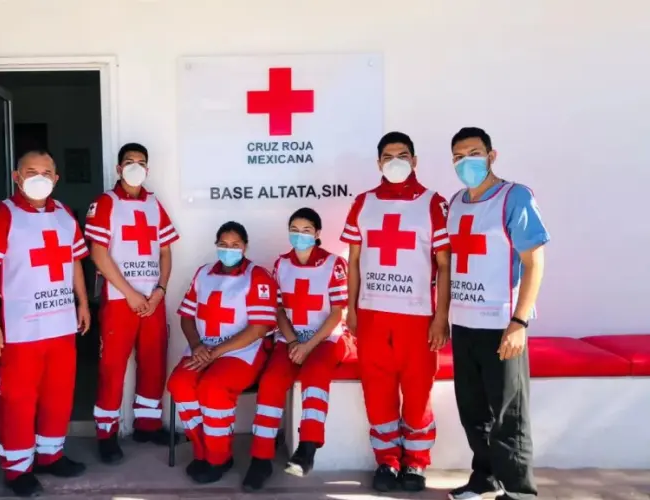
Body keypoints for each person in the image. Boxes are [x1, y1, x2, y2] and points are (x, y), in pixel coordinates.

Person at [341, 131, 451, 492]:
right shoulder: (363, 203)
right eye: (388, 157)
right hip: (372, 316)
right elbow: (354, 261)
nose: (396, 162)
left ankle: (416, 463)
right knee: (377, 390)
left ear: (415, 160)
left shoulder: (434, 204)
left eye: (403, 155)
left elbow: (444, 264)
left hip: (417, 317)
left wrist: (440, 318)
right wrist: (351, 311)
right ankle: (387, 461)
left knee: (418, 390)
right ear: (378, 163)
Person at [0, 150, 92, 496]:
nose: (39, 177)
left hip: (60, 325)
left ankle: (51, 455)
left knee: (57, 396)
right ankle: (17, 470)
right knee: (16, 399)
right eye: (31, 171)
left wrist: (83, 303)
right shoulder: (1, 215)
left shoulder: (64, 214)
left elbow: (74, 261)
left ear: (56, 179)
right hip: (17, 327)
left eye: (46, 172)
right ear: (17, 176)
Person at [446, 127, 548, 500]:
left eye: (474, 152)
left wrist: (519, 322)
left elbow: (534, 261)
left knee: (509, 414)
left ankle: (519, 491)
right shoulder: (455, 202)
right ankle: (484, 477)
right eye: (458, 156)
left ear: (492, 155)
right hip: (464, 323)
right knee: (473, 409)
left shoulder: (514, 197)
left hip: (502, 324)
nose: (466, 162)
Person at [243, 208, 354, 491]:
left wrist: (308, 346)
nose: (300, 234)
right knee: (271, 382)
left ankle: (307, 448)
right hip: (291, 340)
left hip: (326, 340)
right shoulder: (281, 264)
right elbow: (278, 309)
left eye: (307, 230)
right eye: (295, 228)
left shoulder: (334, 264)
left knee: (315, 378)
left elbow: (337, 313)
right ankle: (260, 457)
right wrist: (294, 342)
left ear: (317, 234)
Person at [84, 143, 179, 463]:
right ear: (118, 168)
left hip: (153, 299)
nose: (135, 167)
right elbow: (98, 253)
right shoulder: (106, 203)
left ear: (148, 169)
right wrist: (129, 293)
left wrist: (160, 290)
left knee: (154, 361)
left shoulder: (154, 203)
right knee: (112, 367)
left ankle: (148, 425)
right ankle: (106, 434)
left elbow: (165, 251)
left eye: (141, 162)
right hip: (118, 299)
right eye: (129, 162)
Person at [167, 221, 278, 485]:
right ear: (216, 245)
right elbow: (186, 317)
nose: (229, 249)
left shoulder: (258, 276)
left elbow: (259, 329)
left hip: (243, 352)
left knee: (212, 387)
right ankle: (202, 451)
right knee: (179, 383)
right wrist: (196, 346)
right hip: (203, 349)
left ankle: (219, 458)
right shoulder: (203, 273)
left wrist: (216, 352)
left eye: (235, 245)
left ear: (245, 246)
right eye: (223, 245)